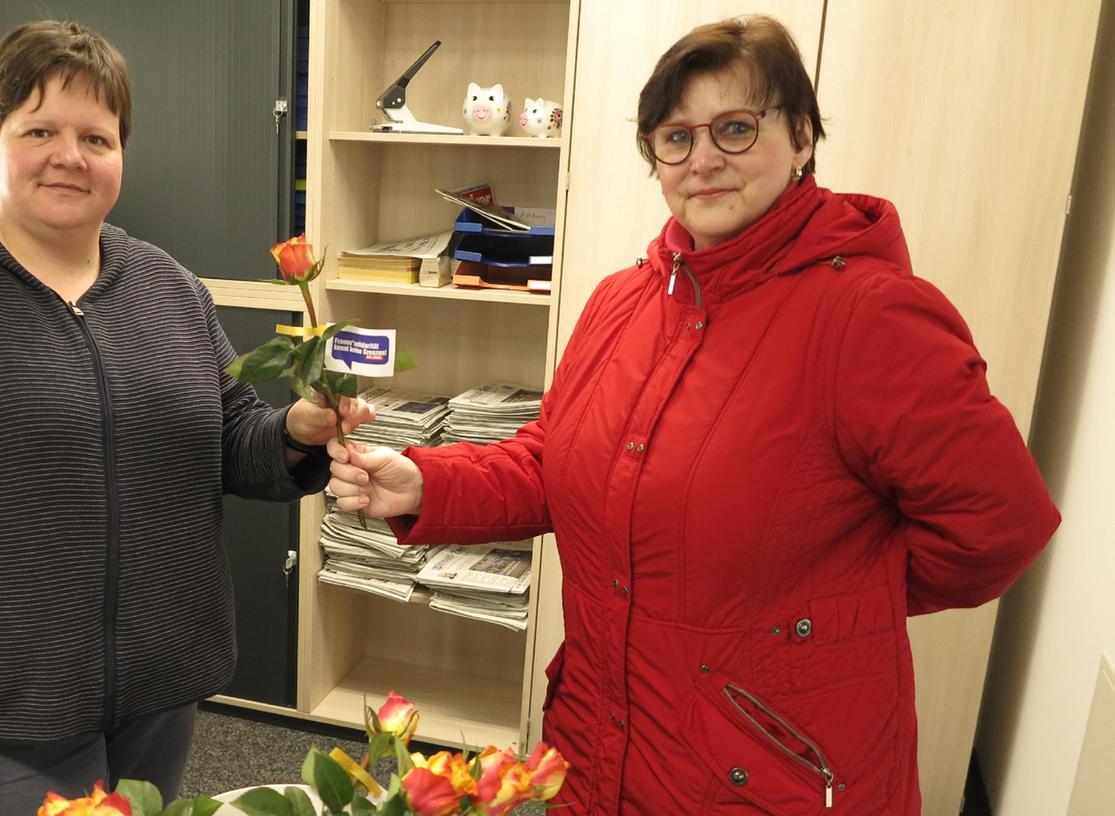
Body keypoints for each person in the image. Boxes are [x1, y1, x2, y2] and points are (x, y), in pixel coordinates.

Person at [327, 15, 1058, 816]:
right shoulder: (622, 300)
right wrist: (426, 483)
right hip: (601, 741)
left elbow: (999, 527)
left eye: (735, 129)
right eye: (674, 137)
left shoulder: (870, 317)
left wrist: (812, 620)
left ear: (803, 137)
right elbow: (558, 461)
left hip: (766, 766)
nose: (702, 159)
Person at [0, 20, 371, 815]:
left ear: (120, 156)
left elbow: (225, 436)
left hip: (159, 688)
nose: (70, 155)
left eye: (96, 137)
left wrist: (291, 433)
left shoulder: (166, 287)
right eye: (40, 130)